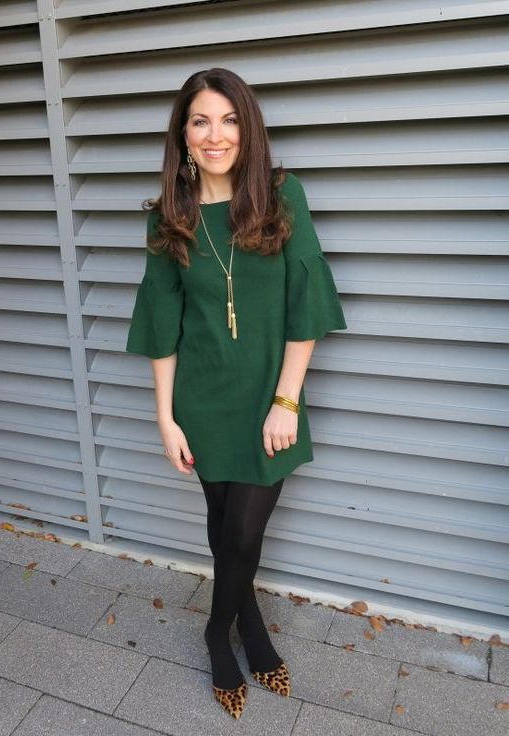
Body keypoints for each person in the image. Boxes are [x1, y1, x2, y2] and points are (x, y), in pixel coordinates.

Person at [125, 67, 347, 719]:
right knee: (226, 526)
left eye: (228, 119)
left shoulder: (283, 195)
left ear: (247, 129)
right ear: (183, 136)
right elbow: (161, 321)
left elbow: (305, 301)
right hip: (201, 398)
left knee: (243, 535)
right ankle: (249, 630)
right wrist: (164, 416)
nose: (215, 134)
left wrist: (286, 401)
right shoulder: (172, 216)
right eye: (200, 121)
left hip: (266, 398)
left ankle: (215, 634)